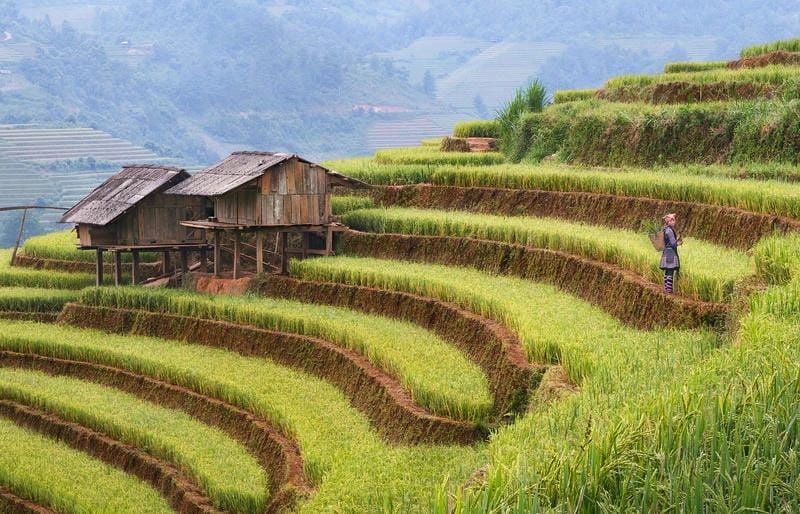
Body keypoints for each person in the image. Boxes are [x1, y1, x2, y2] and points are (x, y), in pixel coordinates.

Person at [660, 213, 683, 294]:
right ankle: (669, 290)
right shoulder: (669, 231)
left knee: (667, 271)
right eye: (672, 220)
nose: (674, 222)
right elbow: (673, 243)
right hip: (670, 253)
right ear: (669, 222)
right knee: (670, 271)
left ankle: (666, 289)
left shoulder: (665, 229)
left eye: (674, 220)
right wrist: (679, 243)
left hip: (666, 252)